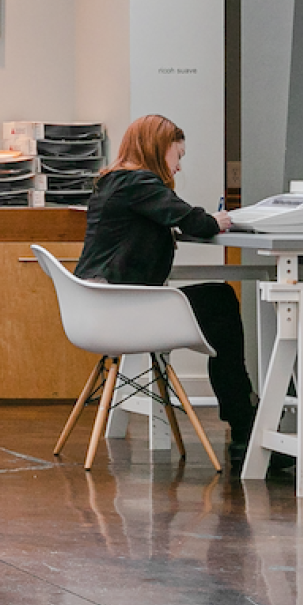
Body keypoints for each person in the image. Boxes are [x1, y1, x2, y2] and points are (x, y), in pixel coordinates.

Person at [75, 115, 264, 473]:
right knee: (221, 301)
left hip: (103, 308)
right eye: (177, 155)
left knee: (216, 299)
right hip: (125, 311)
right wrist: (218, 220)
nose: (178, 167)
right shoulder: (139, 182)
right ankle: (244, 424)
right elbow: (196, 222)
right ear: (157, 149)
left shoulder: (110, 182)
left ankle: (244, 418)